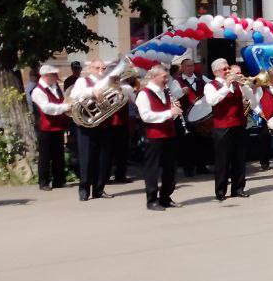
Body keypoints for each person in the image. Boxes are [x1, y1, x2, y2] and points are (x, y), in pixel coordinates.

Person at [69, 59, 132, 202]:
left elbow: (127, 91)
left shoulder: (110, 81)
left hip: (104, 124)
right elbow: (74, 96)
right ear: (91, 68)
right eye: (98, 68)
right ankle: (84, 189)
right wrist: (92, 92)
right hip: (87, 125)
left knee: (103, 158)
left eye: (103, 68)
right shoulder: (82, 81)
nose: (101, 71)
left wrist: (119, 88)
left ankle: (99, 189)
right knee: (87, 158)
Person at [135, 64, 184, 211]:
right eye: (164, 77)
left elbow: (168, 111)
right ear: (154, 77)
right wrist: (169, 112)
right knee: (152, 169)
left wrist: (174, 110)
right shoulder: (144, 93)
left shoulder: (165, 92)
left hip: (169, 134)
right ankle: (152, 200)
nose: (167, 79)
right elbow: (146, 116)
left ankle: (165, 197)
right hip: (154, 136)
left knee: (170, 168)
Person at [203, 58, 253, 200]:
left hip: (239, 124)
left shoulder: (237, 84)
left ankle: (238, 188)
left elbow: (250, 98)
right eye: (225, 69)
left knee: (239, 159)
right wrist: (226, 85)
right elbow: (212, 100)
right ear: (216, 72)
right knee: (223, 161)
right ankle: (220, 191)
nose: (228, 71)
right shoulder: (210, 86)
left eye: (228, 68)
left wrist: (247, 85)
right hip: (222, 127)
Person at [30, 64, 71, 190]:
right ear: (46, 76)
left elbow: (61, 100)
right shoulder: (38, 91)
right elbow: (47, 108)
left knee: (58, 155)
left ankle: (59, 180)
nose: (56, 77)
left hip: (57, 126)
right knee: (45, 156)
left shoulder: (55, 87)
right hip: (45, 127)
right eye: (54, 75)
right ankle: (44, 182)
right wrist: (65, 107)